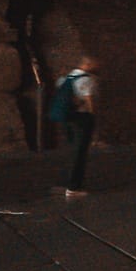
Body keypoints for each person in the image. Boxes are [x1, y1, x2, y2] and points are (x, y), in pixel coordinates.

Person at [49, 56, 98, 197]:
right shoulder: (86, 79)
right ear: (87, 64)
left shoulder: (67, 77)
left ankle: (66, 183)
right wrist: (92, 115)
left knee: (71, 150)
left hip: (67, 118)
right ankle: (74, 187)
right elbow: (89, 101)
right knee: (80, 153)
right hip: (81, 119)